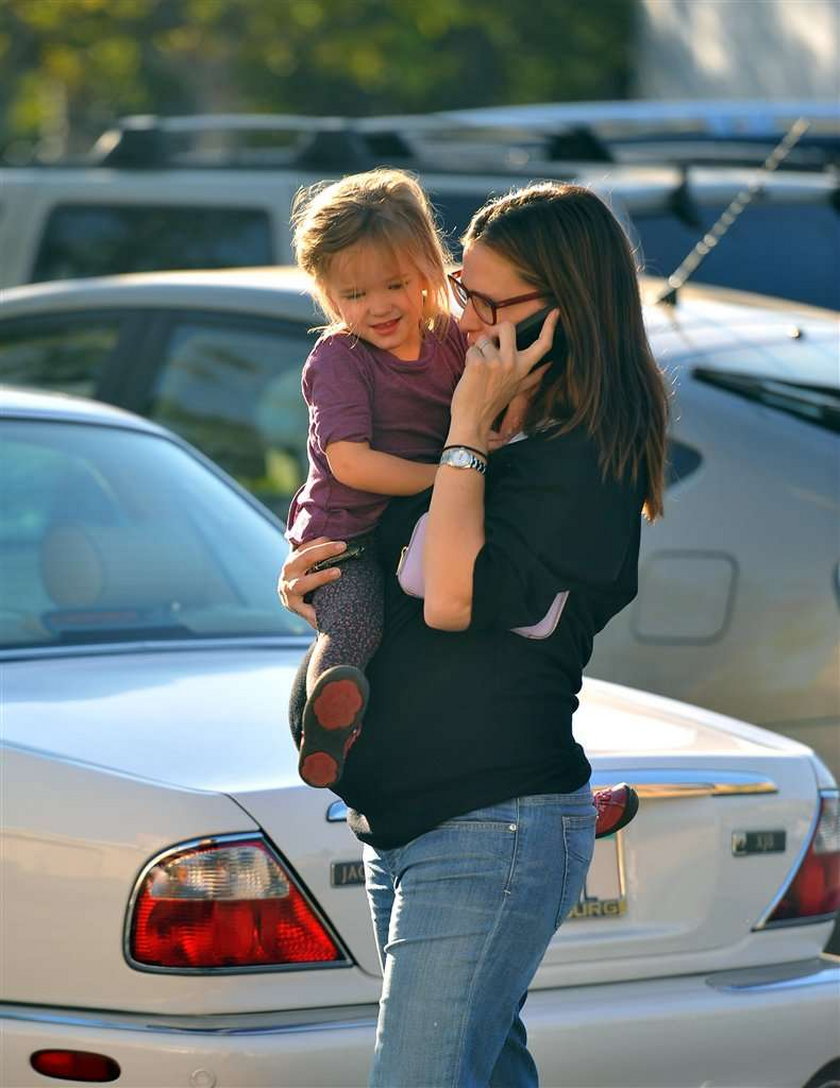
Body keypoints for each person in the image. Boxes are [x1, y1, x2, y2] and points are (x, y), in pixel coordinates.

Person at [280, 180, 668, 1087]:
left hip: (489, 825)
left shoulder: (577, 457)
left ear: (566, 305)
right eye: (465, 287)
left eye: (492, 303)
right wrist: (313, 572)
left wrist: (465, 433)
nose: (467, 317)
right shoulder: (498, 428)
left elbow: (450, 598)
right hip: (409, 824)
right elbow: (377, 539)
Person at [285, 168, 466, 789]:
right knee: (355, 620)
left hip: (420, 520)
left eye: (397, 283)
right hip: (346, 536)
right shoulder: (339, 359)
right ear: (329, 296)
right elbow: (351, 463)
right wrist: (448, 476)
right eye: (356, 294)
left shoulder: (452, 339)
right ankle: (328, 726)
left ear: (431, 270)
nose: (381, 306)